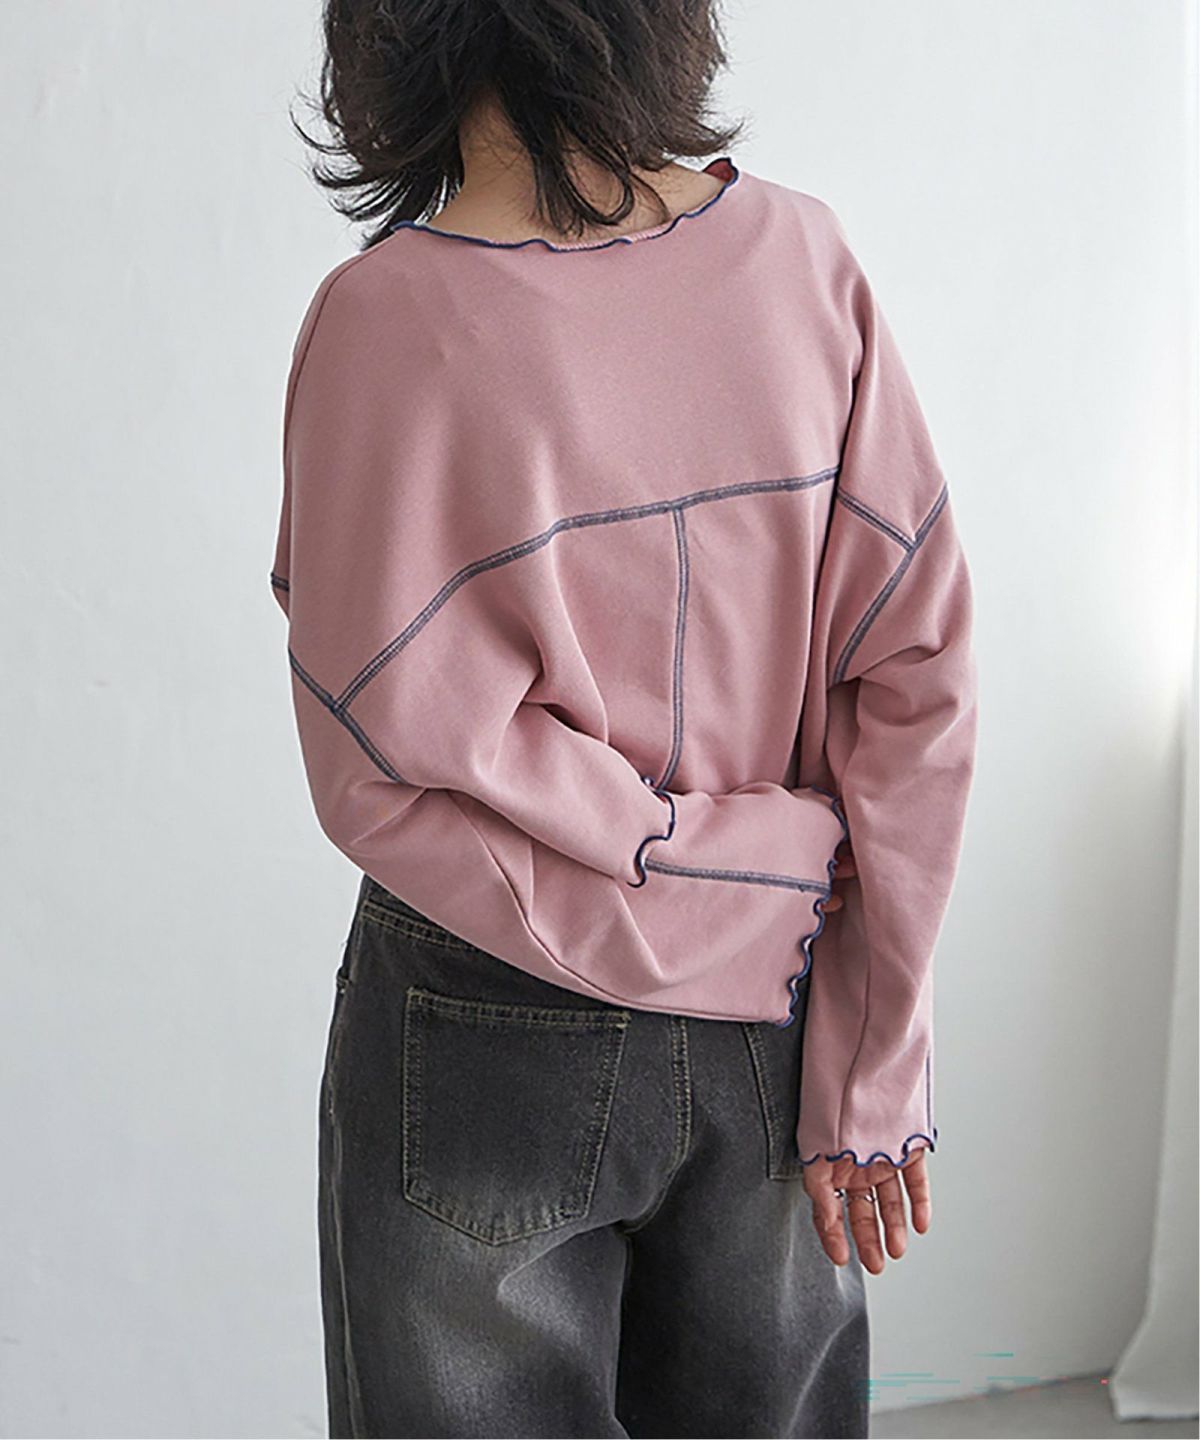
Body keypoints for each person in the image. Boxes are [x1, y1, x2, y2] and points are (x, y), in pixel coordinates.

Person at [271, 2, 980, 1436]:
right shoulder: (802, 262)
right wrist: (873, 1042)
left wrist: (657, 859)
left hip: (486, 1010)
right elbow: (919, 684)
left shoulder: (383, 320)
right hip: (784, 995)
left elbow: (374, 751)